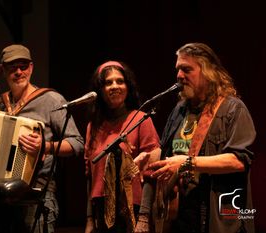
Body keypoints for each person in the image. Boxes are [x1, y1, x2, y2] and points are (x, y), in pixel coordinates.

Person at [136, 42, 256, 233]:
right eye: (177, 69)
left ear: (208, 71)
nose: (179, 76)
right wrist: (150, 156)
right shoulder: (180, 110)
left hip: (216, 216)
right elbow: (171, 150)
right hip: (179, 217)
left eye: (186, 69)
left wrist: (188, 163)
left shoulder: (233, 109)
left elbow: (239, 161)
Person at [0, 44, 84, 233]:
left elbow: (77, 143)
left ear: (31, 68)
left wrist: (45, 146)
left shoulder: (51, 99)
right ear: (2, 70)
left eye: (23, 66)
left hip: (37, 194)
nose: (19, 72)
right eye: (12, 67)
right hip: (2, 195)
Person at [84, 61, 161, 233]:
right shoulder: (93, 126)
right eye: (108, 82)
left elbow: (151, 172)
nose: (114, 86)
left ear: (128, 86)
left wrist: (144, 217)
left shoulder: (141, 119)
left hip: (133, 210)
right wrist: (89, 220)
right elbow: (89, 175)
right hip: (101, 211)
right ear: (100, 90)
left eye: (120, 81)